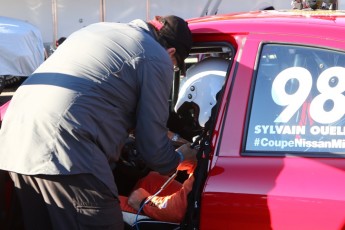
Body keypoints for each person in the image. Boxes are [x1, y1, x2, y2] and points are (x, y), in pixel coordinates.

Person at [0, 15, 195, 230]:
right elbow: (152, 148)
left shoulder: (99, 30)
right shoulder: (156, 56)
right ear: (172, 53)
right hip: (66, 149)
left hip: (15, 141)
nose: (172, 69)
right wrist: (179, 157)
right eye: (176, 66)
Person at [120, 57, 229, 225]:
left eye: (193, 108)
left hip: (186, 211)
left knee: (106, 204)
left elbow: (179, 210)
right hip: (193, 199)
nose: (193, 116)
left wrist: (142, 202)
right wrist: (192, 160)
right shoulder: (227, 129)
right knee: (151, 180)